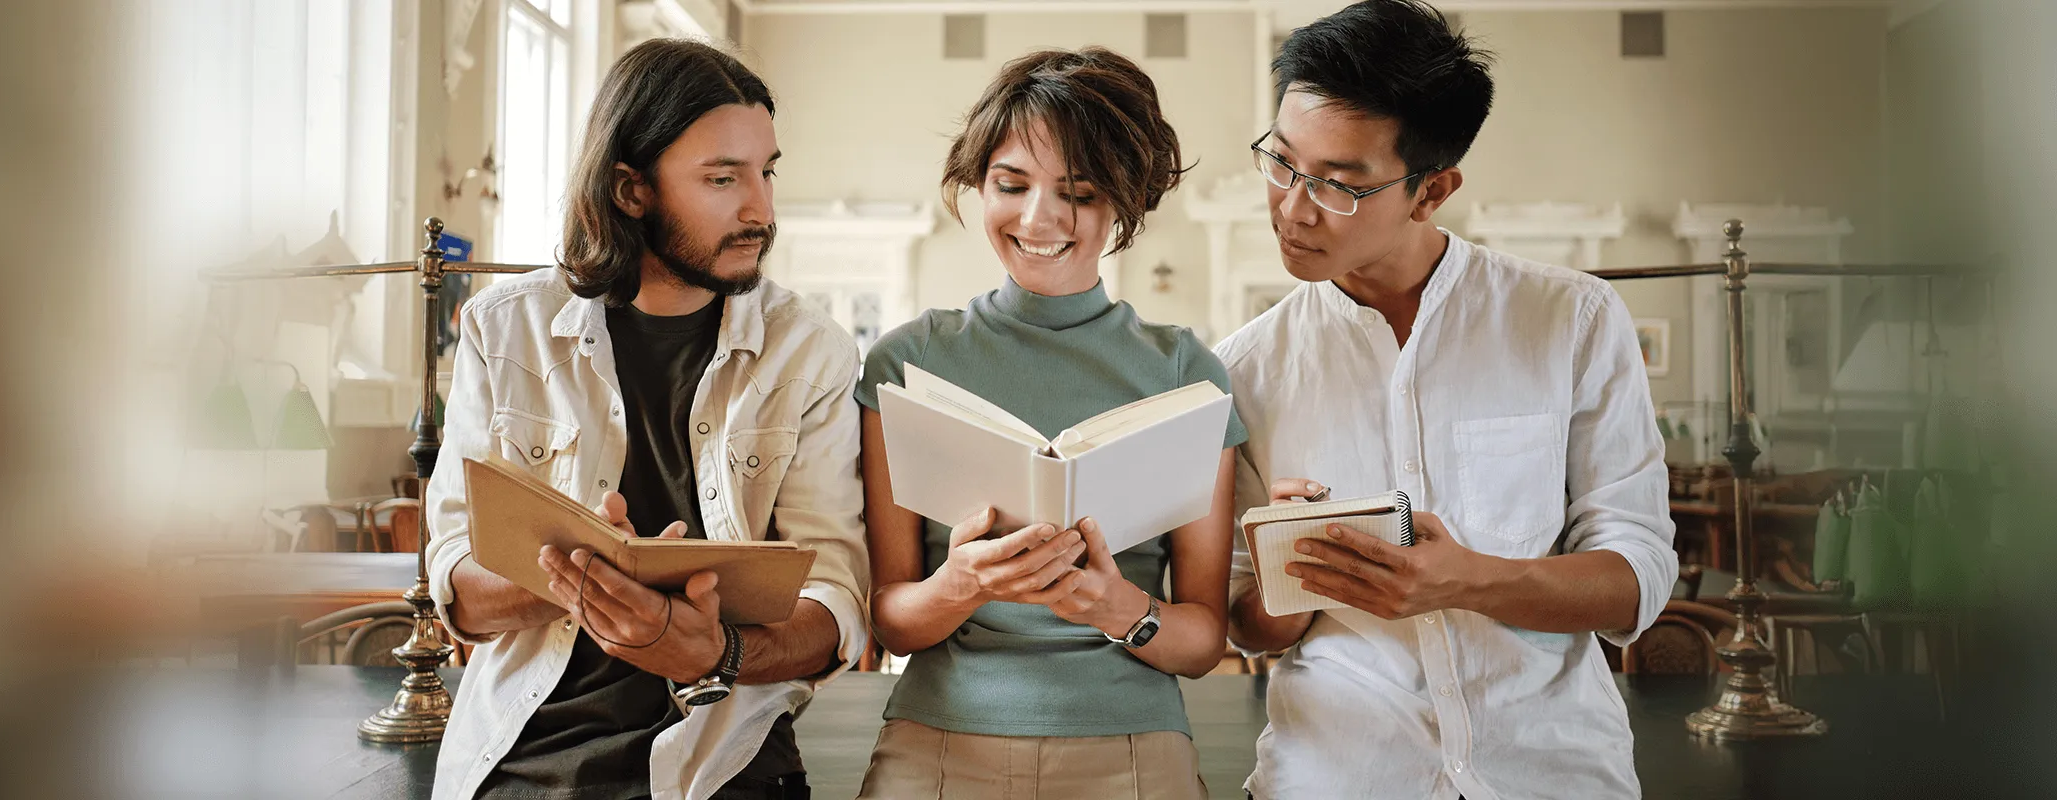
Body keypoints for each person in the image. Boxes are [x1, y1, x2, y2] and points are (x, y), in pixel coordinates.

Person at [1215, 3, 1679, 798]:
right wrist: (1294, 574)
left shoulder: (1570, 319)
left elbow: (1637, 577)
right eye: (1283, 164)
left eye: (1338, 184)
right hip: (1337, 776)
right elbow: (1243, 625)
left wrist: (1467, 580)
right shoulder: (1245, 367)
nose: (1292, 207)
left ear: (1432, 190)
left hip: (1553, 773)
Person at [422, 39, 868, 800]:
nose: (760, 208)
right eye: (722, 179)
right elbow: (456, 583)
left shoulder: (812, 351)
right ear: (632, 189)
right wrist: (582, 577)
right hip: (527, 759)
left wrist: (714, 652)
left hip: (732, 758)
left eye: (766, 171)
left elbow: (835, 604)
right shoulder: (505, 329)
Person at [852, 47, 1246, 799]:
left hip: (1131, 740)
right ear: (979, 185)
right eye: (1011, 184)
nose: (1039, 218)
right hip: (940, 735)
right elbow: (893, 619)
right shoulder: (909, 361)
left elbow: (1202, 641)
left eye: (1081, 192)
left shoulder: (1183, 371)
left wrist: (1118, 607)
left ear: (1124, 204)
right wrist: (960, 586)